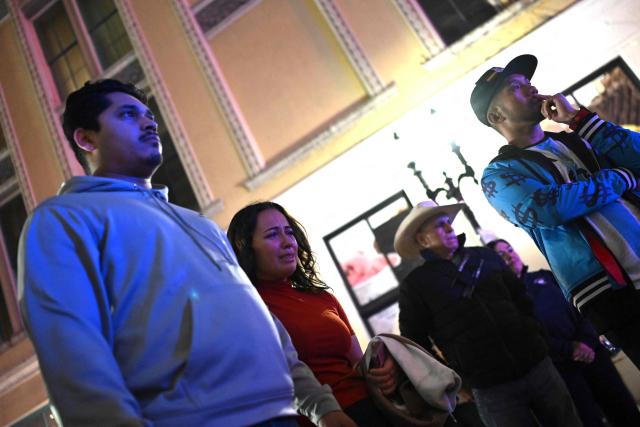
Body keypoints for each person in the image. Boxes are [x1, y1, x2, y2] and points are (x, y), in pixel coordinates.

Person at [18, 79, 357, 427]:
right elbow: (70, 351)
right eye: (127, 115)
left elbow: (267, 328)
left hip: (284, 416)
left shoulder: (201, 225)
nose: (150, 122)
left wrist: (322, 406)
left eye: (150, 115)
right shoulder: (62, 219)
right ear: (86, 138)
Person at [472, 54, 640, 369]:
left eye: (527, 82)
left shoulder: (580, 137)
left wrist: (580, 120)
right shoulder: (499, 174)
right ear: (496, 115)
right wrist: (621, 177)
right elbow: (549, 208)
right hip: (608, 291)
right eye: (516, 87)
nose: (531, 87)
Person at [394, 200, 582, 427]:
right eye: (440, 226)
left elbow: (522, 301)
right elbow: (415, 344)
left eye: (449, 223)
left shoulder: (486, 256)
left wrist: (537, 340)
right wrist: (453, 382)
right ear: (423, 239)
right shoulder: (416, 286)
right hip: (489, 387)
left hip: (537, 366)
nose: (450, 228)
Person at [227, 202, 398, 427]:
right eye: (272, 235)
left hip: (374, 408)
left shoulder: (321, 297)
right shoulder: (248, 308)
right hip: (319, 419)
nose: (288, 242)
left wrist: (383, 370)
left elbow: (358, 362)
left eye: (289, 232)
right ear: (246, 248)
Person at [488, 239, 640, 427]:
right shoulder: (505, 299)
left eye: (509, 249)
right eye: (501, 255)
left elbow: (579, 305)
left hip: (592, 353)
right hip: (561, 367)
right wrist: (569, 349)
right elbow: (527, 334)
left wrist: (585, 339)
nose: (508, 255)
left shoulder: (545, 276)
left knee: (622, 406)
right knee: (588, 418)